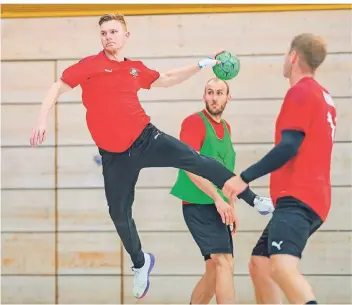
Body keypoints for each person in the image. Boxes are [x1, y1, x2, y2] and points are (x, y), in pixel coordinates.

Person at [29, 13, 246, 299]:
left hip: (144, 139)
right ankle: (140, 262)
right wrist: (42, 120)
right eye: (104, 32)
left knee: (193, 160)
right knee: (119, 214)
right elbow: (57, 87)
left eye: (113, 31)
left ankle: (251, 196)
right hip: (114, 155)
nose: (108, 37)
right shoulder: (90, 66)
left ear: (125, 36)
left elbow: (167, 78)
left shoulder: (134, 69)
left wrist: (203, 63)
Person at [222, 33, 335, 304]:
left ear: (294, 56)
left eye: (287, 54)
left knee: (283, 267)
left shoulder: (301, 92)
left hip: (300, 197)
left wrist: (243, 178)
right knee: (260, 263)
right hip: (310, 197)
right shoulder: (323, 96)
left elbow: (289, 146)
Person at [170, 78, 274, 304]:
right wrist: (218, 199)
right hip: (198, 205)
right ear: (203, 96)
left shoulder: (226, 128)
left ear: (228, 97)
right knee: (224, 262)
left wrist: (231, 206)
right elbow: (189, 166)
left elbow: (226, 174)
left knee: (214, 271)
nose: (214, 97)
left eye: (219, 93)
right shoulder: (194, 122)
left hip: (220, 207)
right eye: (209, 92)